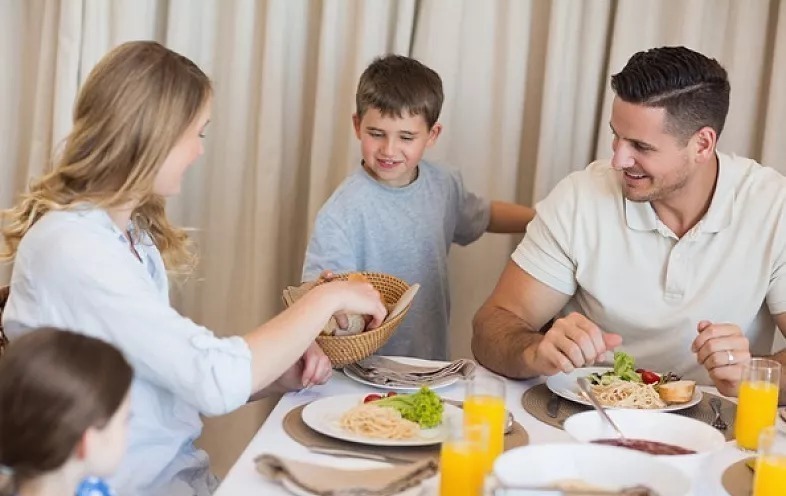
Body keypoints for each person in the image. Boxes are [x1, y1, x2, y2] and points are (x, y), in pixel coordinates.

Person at [0, 41, 387, 496]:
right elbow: (210, 378)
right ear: (155, 135)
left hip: (182, 477)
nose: (200, 151)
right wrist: (329, 297)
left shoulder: (130, 237)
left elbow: (173, 379)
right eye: (198, 133)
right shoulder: (73, 248)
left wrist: (275, 373)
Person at [472, 46, 786, 400]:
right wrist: (534, 349)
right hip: (586, 418)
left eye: (640, 146)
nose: (619, 159)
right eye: (616, 136)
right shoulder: (579, 198)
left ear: (702, 144)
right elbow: (492, 325)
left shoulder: (773, 207)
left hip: (717, 429)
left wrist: (756, 378)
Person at [302, 54, 535, 361]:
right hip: (361, 373)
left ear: (432, 135)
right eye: (376, 134)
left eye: (406, 137)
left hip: (431, 365)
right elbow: (317, 297)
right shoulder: (340, 214)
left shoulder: (444, 184)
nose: (389, 150)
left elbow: (485, 215)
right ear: (358, 126)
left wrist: (544, 220)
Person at [0, 328, 133, 496]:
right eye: (126, 419)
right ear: (86, 442)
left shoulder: (93, 488)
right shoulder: (94, 490)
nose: (129, 429)